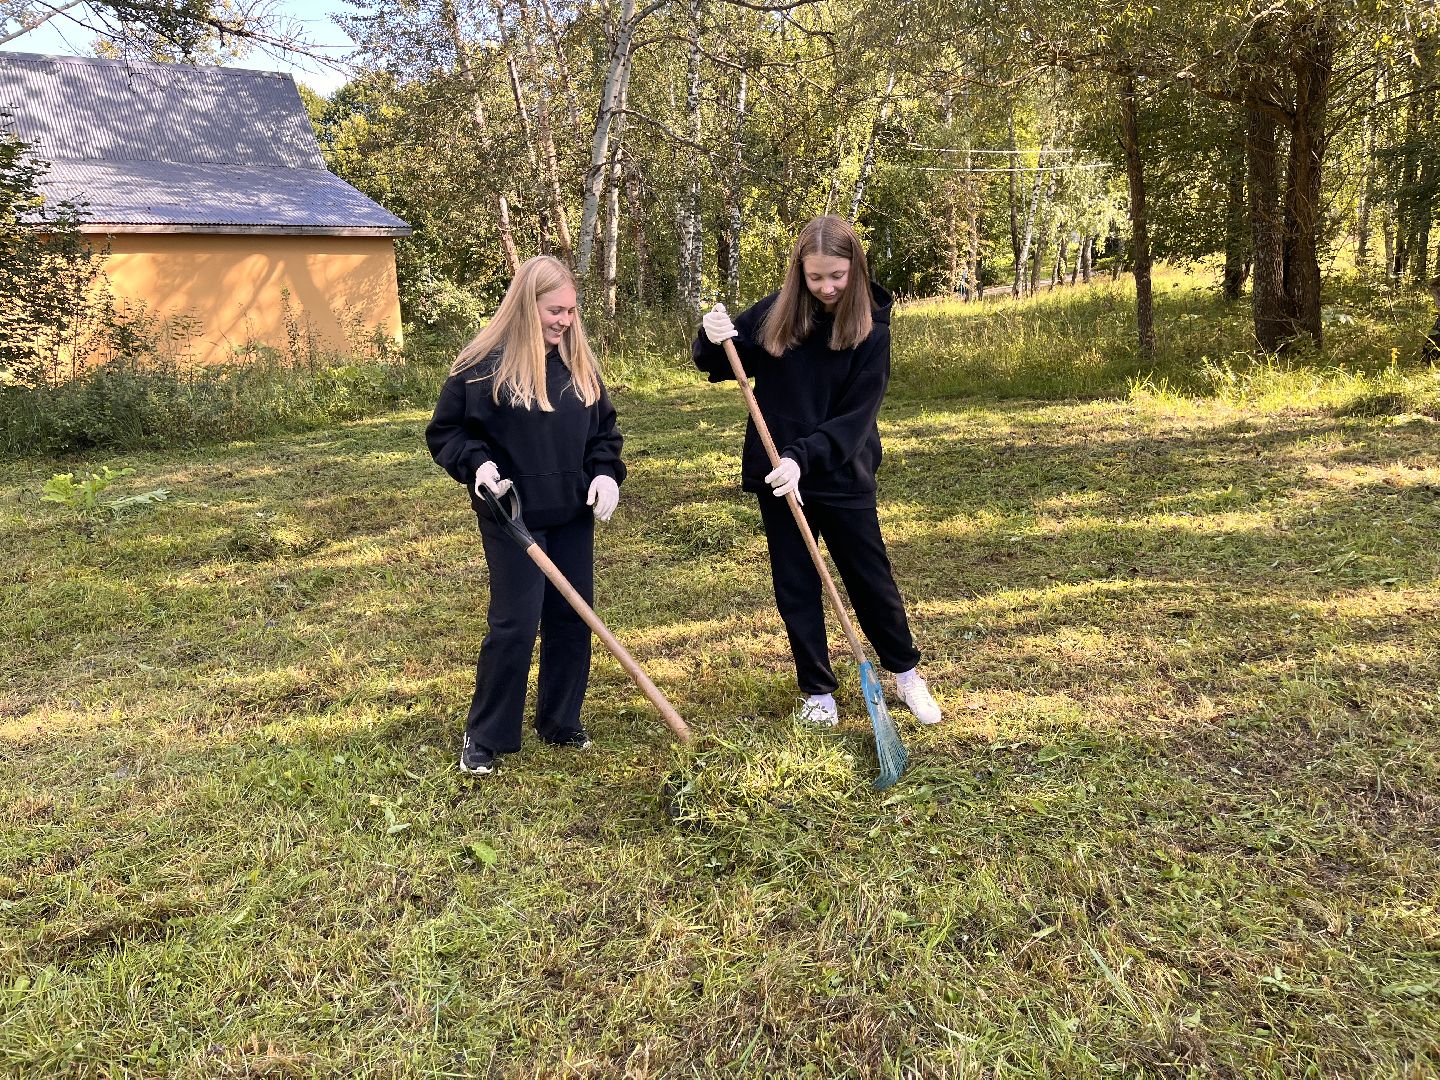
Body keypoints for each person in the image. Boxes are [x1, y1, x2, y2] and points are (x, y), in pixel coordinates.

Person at [692, 215, 942, 728]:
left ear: (855, 268)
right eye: (815, 278)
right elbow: (724, 362)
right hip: (779, 476)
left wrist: (803, 458)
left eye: (837, 276)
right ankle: (817, 690)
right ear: (798, 274)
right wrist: (712, 336)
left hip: (839, 471)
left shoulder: (871, 329)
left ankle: (905, 672)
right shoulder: (777, 313)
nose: (827, 287)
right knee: (796, 583)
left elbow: (856, 418)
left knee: (870, 580)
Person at [426, 255, 625, 776]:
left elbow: (604, 433)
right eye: (554, 311)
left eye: (571, 312)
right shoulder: (482, 368)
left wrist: (605, 473)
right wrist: (478, 466)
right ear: (525, 305)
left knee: (572, 618)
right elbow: (447, 433)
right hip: (513, 514)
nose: (564, 321)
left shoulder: (579, 366)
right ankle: (486, 734)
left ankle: (559, 721)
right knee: (515, 624)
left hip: (571, 512)